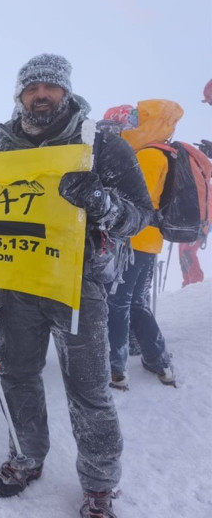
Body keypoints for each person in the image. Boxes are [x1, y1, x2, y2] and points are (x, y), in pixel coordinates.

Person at [0, 54, 152, 517]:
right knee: (16, 376)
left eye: (50, 88)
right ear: (19, 95)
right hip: (16, 284)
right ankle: (27, 455)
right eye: (32, 88)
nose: (41, 95)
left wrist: (100, 202)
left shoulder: (101, 141)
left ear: (65, 91)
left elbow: (139, 214)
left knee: (88, 390)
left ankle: (98, 485)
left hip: (80, 284)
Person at [104, 100, 183, 389]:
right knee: (135, 303)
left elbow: (139, 201)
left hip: (134, 240)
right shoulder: (163, 151)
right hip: (149, 241)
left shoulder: (150, 156)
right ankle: (158, 361)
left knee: (118, 303)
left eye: (139, 119)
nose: (133, 124)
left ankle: (116, 369)